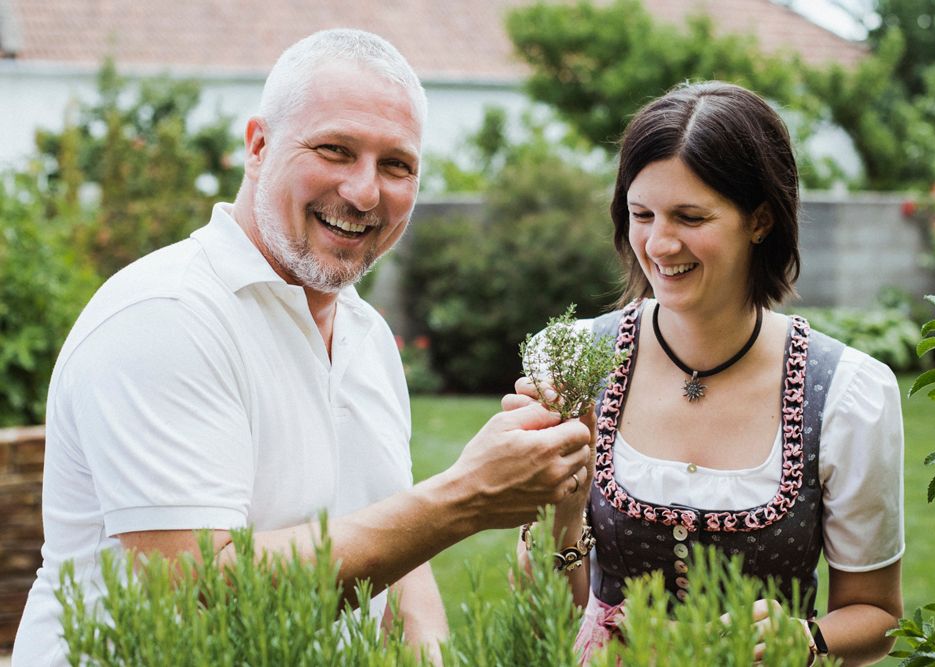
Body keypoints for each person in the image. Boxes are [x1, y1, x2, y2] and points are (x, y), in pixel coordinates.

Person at [13, 29, 591, 666]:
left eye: (397, 164)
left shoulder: (366, 336)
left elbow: (395, 564)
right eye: (335, 150)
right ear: (258, 145)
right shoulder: (168, 315)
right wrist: (464, 498)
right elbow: (195, 588)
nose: (365, 192)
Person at [509, 81, 904, 666]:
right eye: (641, 214)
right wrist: (561, 519)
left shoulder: (846, 393)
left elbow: (879, 615)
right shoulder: (568, 360)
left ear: (761, 220)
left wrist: (808, 639)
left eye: (690, 216)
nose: (660, 243)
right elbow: (540, 620)